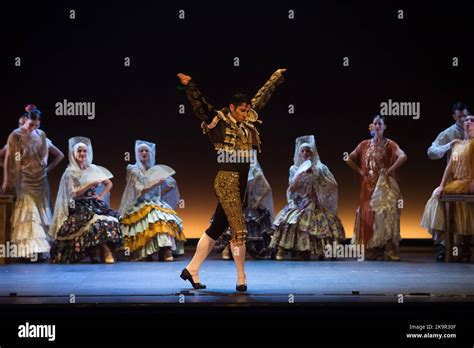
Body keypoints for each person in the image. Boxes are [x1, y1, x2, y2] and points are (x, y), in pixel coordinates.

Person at [177, 68, 286, 291]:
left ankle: (192, 269)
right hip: (227, 181)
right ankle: (241, 278)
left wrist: (275, 77)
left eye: (248, 111)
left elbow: (260, 98)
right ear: (233, 108)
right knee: (239, 230)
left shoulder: (246, 121)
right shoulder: (220, 121)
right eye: (243, 110)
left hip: (242, 184)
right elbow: (202, 108)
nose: (246, 114)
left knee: (216, 228)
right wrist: (190, 86)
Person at [1, 105, 63, 260]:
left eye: (35, 125)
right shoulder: (15, 135)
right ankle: (27, 251)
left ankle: (40, 250)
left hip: (40, 179)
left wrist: (47, 167)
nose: (32, 128)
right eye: (30, 124)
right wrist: (7, 179)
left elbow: (52, 154)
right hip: (24, 179)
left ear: (39, 123)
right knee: (28, 212)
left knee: (40, 213)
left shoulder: (41, 135)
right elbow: (8, 159)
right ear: (25, 121)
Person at [270, 135, 345, 260]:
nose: (305, 153)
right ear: (299, 153)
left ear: (312, 152)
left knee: (323, 221)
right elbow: (291, 189)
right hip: (298, 202)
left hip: (313, 203)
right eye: (303, 151)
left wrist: (318, 184)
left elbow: (332, 184)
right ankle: (283, 250)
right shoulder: (294, 169)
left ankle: (318, 250)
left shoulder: (320, 168)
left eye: (308, 151)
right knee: (290, 219)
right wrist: (299, 176)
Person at [49, 137, 122, 263]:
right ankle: (104, 251)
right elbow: (74, 194)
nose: (82, 154)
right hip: (79, 204)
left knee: (112, 219)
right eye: (79, 151)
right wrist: (89, 184)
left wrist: (101, 195)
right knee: (94, 221)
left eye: (84, 151)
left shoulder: (93, 168)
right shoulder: (70, 172)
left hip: (93, 202)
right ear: (74, 153)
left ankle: (104, 250)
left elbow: (109, 183)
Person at [346, 116, 407, 261]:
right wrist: (360, 171)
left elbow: (403, 156)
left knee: (386, 213)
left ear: (385, 126)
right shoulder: (364, 144)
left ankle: (388, 249)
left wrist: (390, 170)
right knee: (369, 215)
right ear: (372, 126)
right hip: (368, 186)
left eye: (380, 124)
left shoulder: (389, 144)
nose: (377, 126)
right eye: (375, 124)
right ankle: (372, 247)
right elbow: (348, 158)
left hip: (384, 185)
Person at [119, 140, 185, 261]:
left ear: (151, 153)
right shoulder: (133, 169)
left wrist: (162, 190)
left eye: (146, 151)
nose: (144, 153)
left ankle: (165, 249)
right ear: (137, 153)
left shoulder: (155, 169)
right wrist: (156, 183)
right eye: (141, 151)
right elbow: (140, 190)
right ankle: (146, 252)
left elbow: (170, 184)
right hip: (139, 203)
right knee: (152, 219)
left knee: (166, 218)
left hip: (155, 202)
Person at [421, 115, 474, 262]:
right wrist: (442, 185)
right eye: (466, 120)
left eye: (472, 120)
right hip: (457, 182)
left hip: (468, 182)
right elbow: (449, 168)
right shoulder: (458, 144)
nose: (468, 122)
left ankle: (459, 247)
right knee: (436, 195)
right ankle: (449, 242)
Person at [215, 159, 275, 260]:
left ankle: (252, 250)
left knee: (250, 225)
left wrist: (256, 201)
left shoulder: (255, 171)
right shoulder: (234, 168)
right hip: (235, 203)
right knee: (228, 223)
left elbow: (266, 188)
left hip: (248, 206)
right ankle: (226, 249)